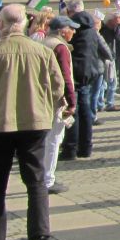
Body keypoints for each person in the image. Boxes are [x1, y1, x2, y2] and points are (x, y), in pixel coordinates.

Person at [0, 4, 66, 240]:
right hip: (34, 123)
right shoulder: (42, 51)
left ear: (1, 24)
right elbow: (58, 88)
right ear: (24, 24)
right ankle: (41, 238)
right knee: (36, 182)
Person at [41, 16, 78, 195]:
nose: (74, 32)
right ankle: (48, 179)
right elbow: (65, 76)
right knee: (54, 138)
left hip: (41, 96)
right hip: (56, 98)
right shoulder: (60, 47)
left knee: (44, 138)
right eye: (72, 28)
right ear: (63, 30)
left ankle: (42, 176)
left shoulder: (43, 42)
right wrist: (71, 101)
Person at [60, 9, 102, 159]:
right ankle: (85, 147)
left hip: (77, 74)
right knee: (85, 111)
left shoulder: (78, 34)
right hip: (88, 73)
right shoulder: (91, 31)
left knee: (74, 111)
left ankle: (71, 148)